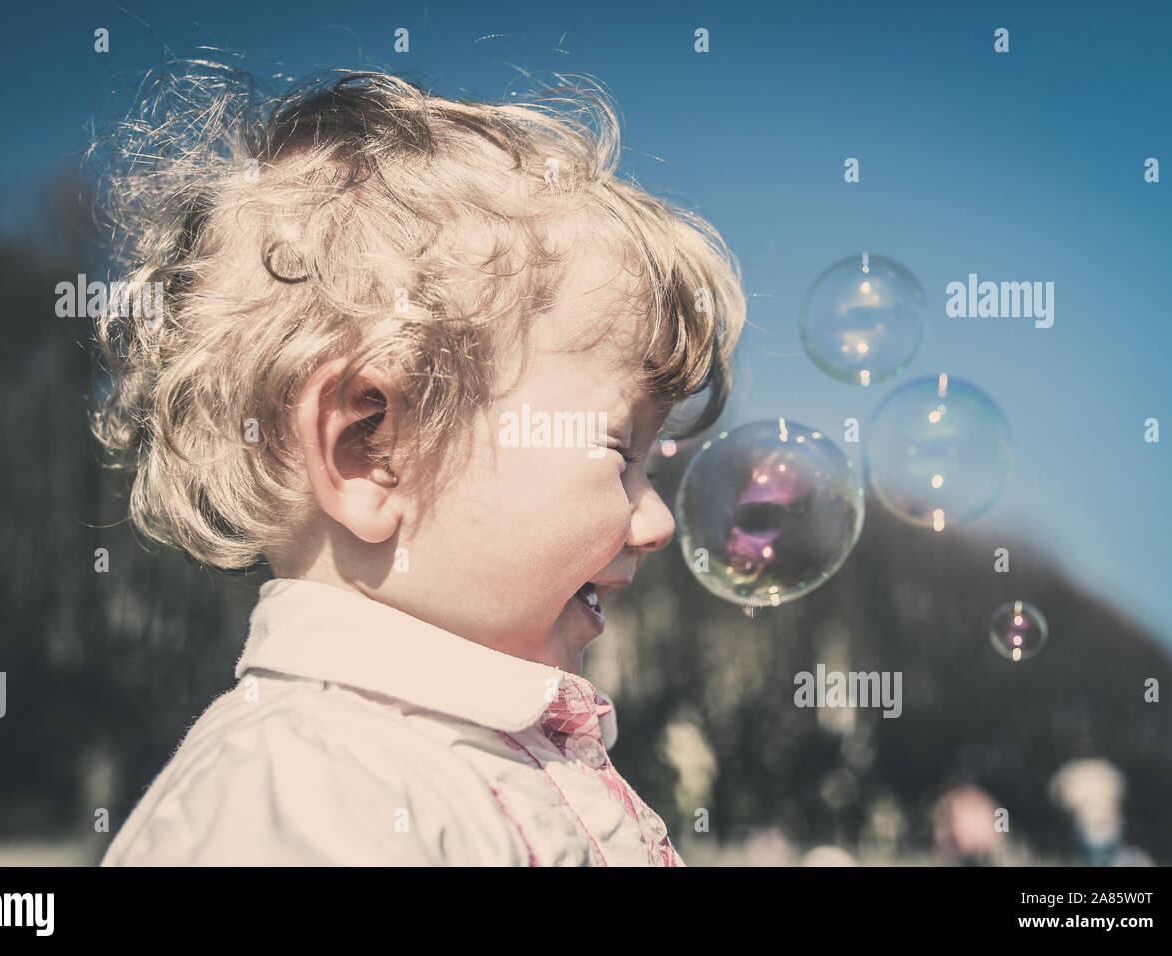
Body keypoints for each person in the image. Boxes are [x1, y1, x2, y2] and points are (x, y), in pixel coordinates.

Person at [92, 62, 746, 865]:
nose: (656, 521)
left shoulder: (485, 751)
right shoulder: (306, 787)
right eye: (620, 453)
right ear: (370, 450)